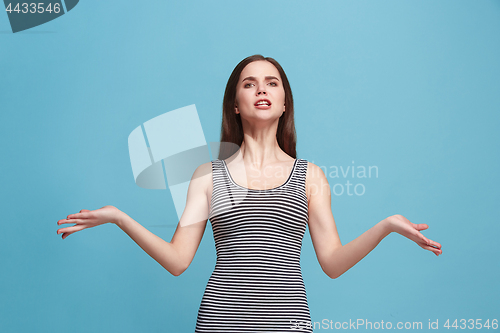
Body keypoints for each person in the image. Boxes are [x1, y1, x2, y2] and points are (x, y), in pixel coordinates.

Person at [57, 54, 442, 332]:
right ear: (236, 105)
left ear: (285, 102)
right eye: (249, 83)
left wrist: (387, 225)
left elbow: (333, 263)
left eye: (272, 82)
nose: (262, 89)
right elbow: (177, 261)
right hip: (219, 323)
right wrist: (120, 218)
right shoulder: (207, 176)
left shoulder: (310, 176)